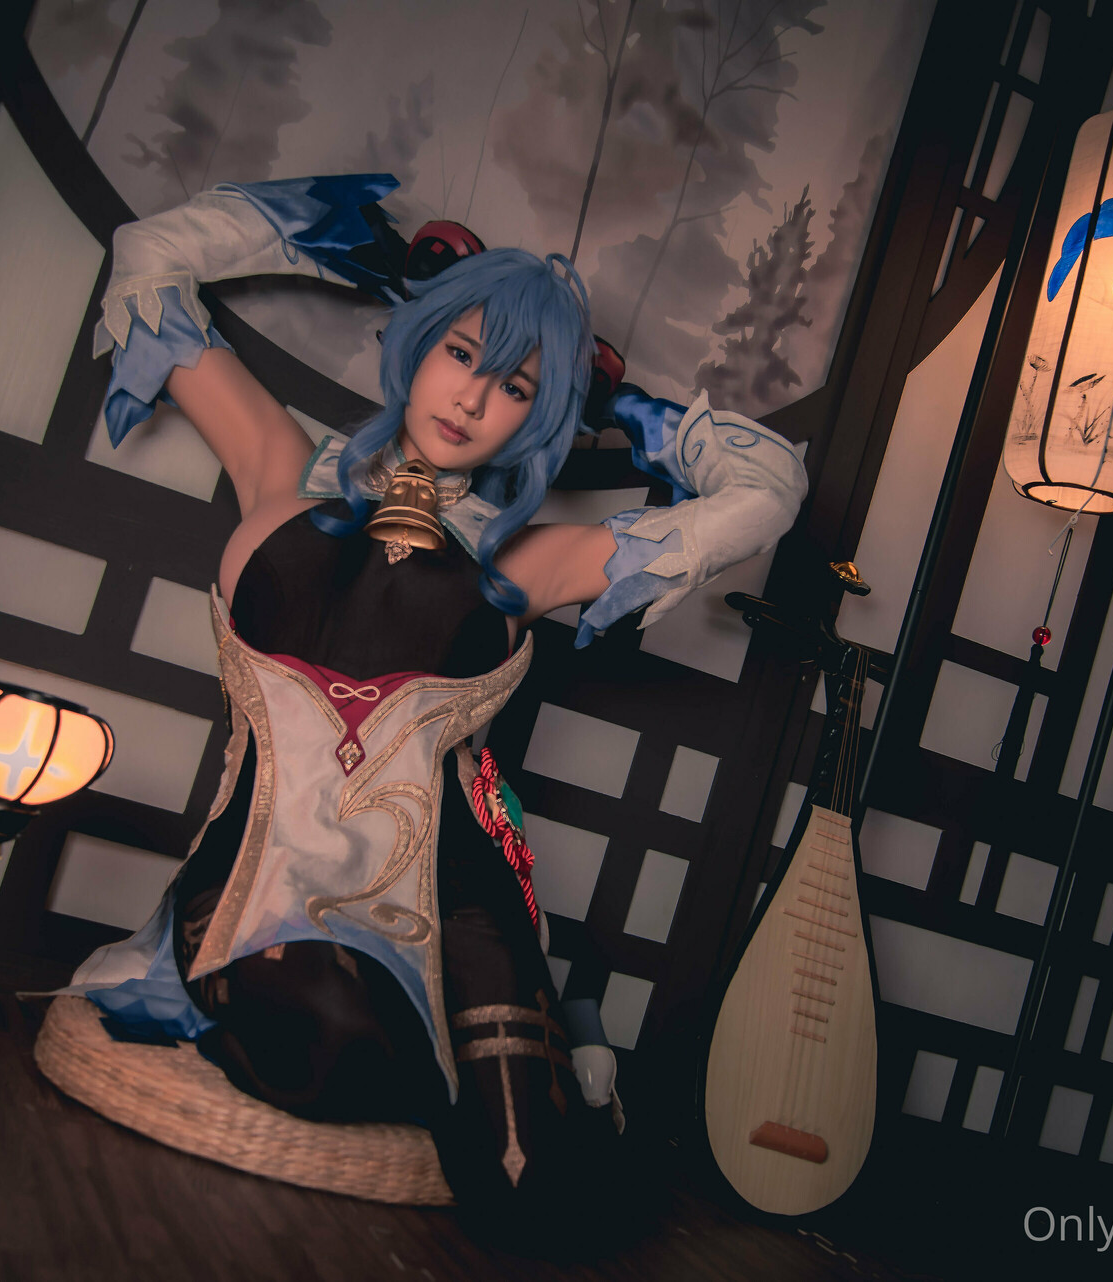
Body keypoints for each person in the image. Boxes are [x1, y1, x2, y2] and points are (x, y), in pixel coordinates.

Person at [51, 173, 807, 1238]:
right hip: (260, 885)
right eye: (460, 353)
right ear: (418, 347)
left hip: (452, 897)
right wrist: (327, 241)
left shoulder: (526, 561)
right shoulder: (281, 468)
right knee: (333, 1042)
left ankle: (556, 1064)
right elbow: (147, 260)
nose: (471, 400)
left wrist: (614, 407)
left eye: (516, 388)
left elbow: (767, 493)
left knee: (541, 1193)